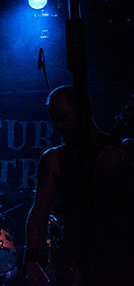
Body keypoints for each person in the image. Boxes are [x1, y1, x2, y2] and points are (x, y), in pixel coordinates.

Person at [24, 85, 133, 286]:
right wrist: (31, 258)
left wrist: (121, 170)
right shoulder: (54, 159)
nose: (58, 126)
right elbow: (40, 209)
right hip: (75, 259)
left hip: (122, 257)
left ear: (84, 112)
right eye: (54, 119)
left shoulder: (124, 150)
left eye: (64, 117)